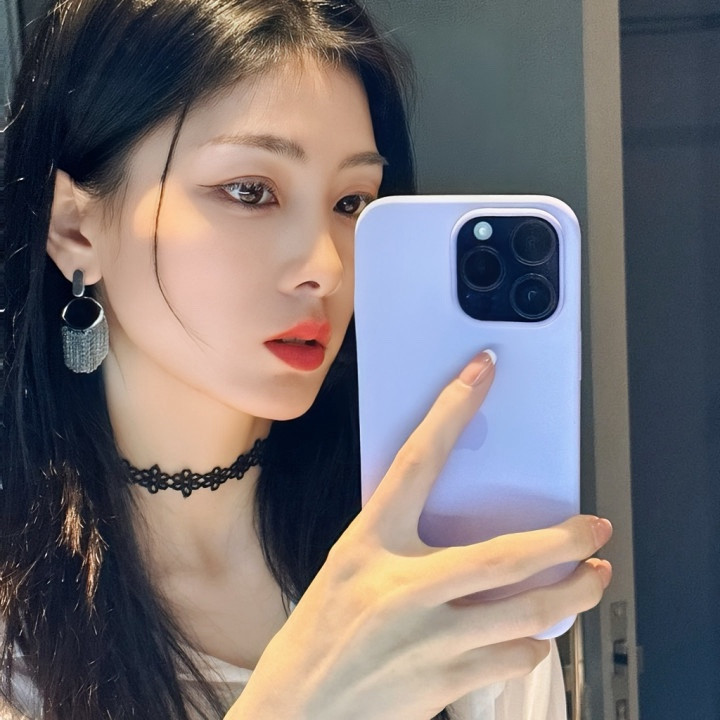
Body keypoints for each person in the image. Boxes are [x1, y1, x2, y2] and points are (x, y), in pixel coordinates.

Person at [0, 0, 613, 718]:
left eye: (352, 202)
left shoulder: (437, 559)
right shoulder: (19, 621)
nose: (326, 266)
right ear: (75, 227)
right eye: (249, 191)